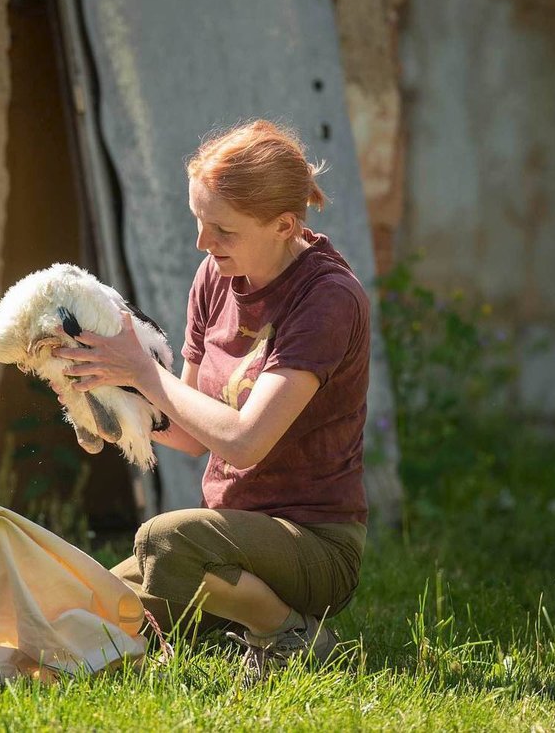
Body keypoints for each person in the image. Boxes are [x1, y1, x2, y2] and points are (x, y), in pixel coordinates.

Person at [55, 120, 369, 683]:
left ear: (284, 225)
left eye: (221, 229)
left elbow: (243, 442)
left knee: (165, 539)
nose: (204, 243)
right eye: (199, 221)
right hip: (225, 538)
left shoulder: (327, 300)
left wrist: (145, 373)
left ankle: (288, 633)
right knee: (78, 603)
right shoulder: (216, 277)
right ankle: (218, 629)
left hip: (315, 550)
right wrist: (105, 393)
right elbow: (194, 432)